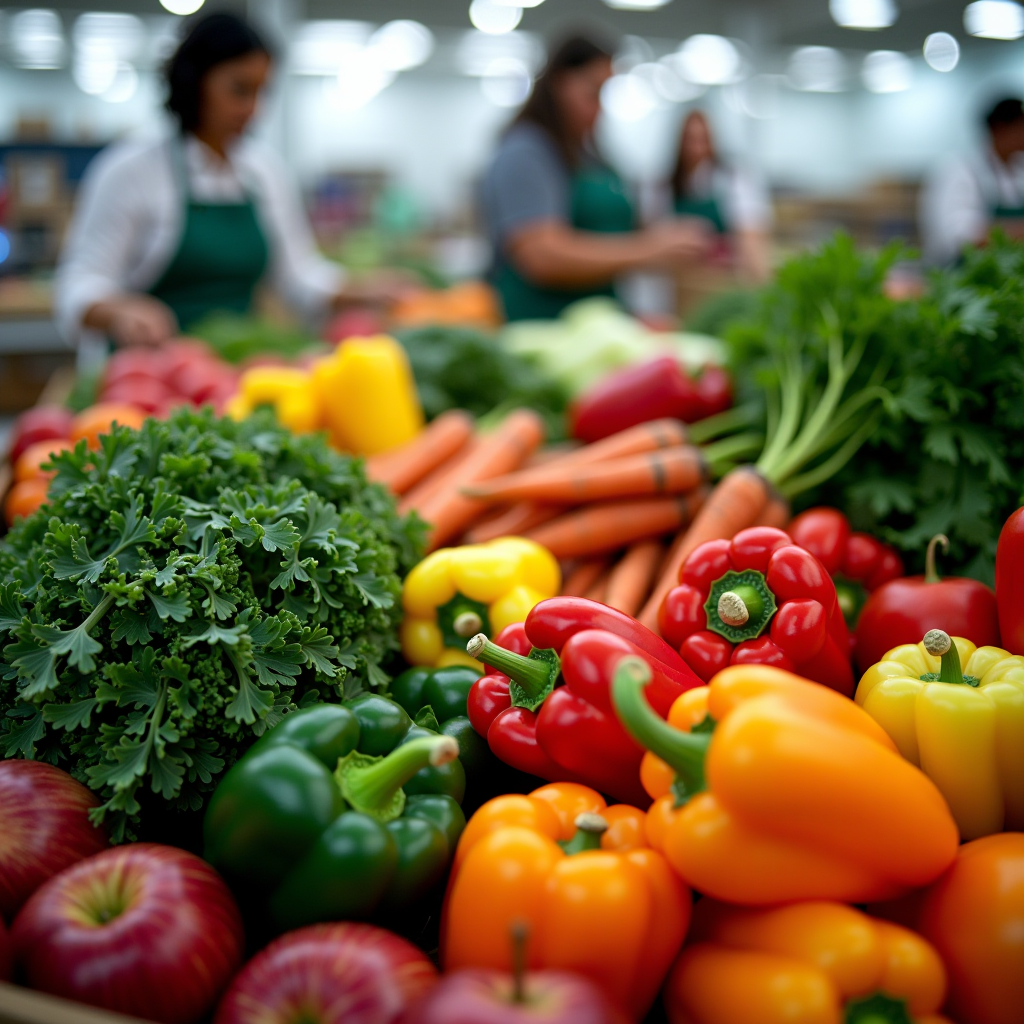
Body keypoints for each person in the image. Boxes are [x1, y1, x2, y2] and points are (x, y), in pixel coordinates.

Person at [56, 12, 348, 348]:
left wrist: (357, 291)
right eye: (239, 90)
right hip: (148, 368)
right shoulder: (130, 170)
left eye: (261, 92)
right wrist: (119, 311)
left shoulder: (265, 171)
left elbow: (297, 274)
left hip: (235, 366)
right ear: (195, 81)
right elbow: (80, 282)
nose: (253, 109)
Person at [480, 35, 708, 322]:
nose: (599, 108)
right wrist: (648, 250)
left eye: (605, 95)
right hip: (543, 324)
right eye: (592, 93)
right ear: (560, 85)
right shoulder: (527, 151)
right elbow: (540, 255)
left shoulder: (590, 155)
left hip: (599, 319)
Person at [667, 110, 773, 284]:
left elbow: (750, 238)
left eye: (702, 140)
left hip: (721, 280)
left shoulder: (733, 180)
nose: (695, 149)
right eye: (690, 140)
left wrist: (758, 277)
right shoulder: (666, 187)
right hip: (680, 281)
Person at [920, 97, 1024, 266]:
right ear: (1000, 129)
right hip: (961, 278)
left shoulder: (1018, 169)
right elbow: (960, 238)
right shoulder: (960, 170)